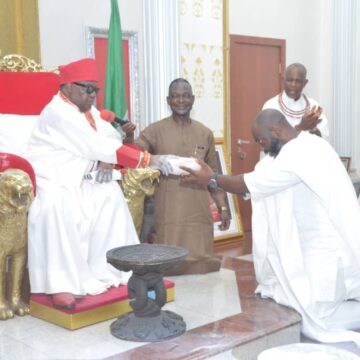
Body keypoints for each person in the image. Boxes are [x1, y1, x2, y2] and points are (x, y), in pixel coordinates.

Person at [181, 109, 360, 345]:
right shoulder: (308, 144)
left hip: (324, 248)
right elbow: (261, 175)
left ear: (276, 130)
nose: (262, 147)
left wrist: (212, 179)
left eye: (261, 140)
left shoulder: (298, 154)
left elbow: (253, 182)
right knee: (302, 305)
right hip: (315, 245)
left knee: (316, 321)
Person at [25, 58, 170, 309]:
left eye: (96, 90)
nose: (93, 95)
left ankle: (117, 269)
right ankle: (62, 283)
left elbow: (109, 135)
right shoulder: (57, 111)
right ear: (68, 87)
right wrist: (148, 159)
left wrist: (106, 161)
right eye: (87, 89)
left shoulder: (86, 110)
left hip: (83, 172)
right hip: (53, 177)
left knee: (110, 195)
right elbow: (96, 145)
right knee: (56, 207)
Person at [134, 78, 230, 275]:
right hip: (168, 207)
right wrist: (154, 158)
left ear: (192, 99)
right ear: (168, 100)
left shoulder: (204, 133)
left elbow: (213, 176)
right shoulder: (154, 131)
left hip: (198, 207)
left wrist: (222, 206)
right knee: (168, 260)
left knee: (202, 265)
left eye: (186, 96)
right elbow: (134, 154)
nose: (181, 101)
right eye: (176, 97)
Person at [262, 63, 329, 140]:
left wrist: (312, 129)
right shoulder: (271, 106)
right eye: (290, 80)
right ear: (283, 80)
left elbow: (323, 137)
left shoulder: (313, 106)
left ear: (305, 83)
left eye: (298, 81)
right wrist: (300, 127)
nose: (293, 85)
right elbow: (268, 140)